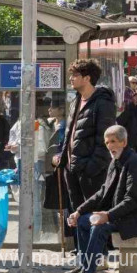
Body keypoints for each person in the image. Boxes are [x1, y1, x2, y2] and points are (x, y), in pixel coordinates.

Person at [65, 125, 137, 273]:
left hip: (135, 217)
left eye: (114, 141)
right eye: (107, 143)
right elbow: (102, 192)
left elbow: (132, 200)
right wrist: (79, 211)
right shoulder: (115, 162)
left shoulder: (135, 163)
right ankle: (85, 265)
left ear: (124, 142)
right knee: (83, 220)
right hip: (118, 214)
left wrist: (108, 216)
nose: (110, 146)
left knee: (99, 227)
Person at [55, 60, 115, 212]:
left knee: (93, 218)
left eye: (75, 75)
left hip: (90, 173)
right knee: (76, 218)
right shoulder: (76, 100)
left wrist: (91, 169)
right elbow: (71, 133)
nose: (71, 78)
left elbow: (105, 141)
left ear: (87, 78)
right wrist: (62, 159)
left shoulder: (103, 103)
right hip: (72, 170)